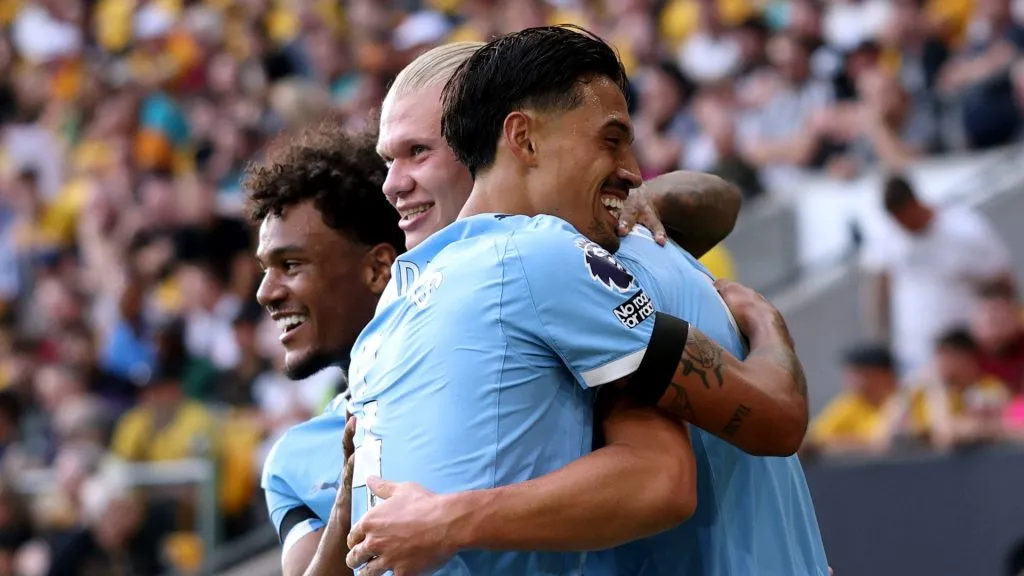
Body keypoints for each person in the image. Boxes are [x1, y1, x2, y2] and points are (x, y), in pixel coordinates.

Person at [342, 30, 823, 576]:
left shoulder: (563, 254)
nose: (393, 184)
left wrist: (765, 321)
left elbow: (680, 470)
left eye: (419, 151)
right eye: (610, 141)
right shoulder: (418, 290)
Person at [249, 117, 743, 575]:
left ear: (380, 268)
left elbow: (719, 202)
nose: (265, 292)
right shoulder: (296, 459)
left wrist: (628, 203)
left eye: (290, 266)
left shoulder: (516, 325)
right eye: (265, 269)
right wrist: (350, 492)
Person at [862, 174, 1014, 374]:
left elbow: (1001, 278)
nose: (902, 226)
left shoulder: (963, 228)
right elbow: (881, 284)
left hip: (966, 345)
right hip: (914, 347)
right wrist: (877, 334)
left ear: (913, 204)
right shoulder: (887, 234)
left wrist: (1002, 327)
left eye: (904, 217)